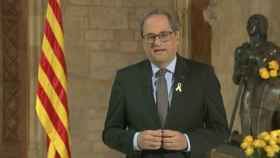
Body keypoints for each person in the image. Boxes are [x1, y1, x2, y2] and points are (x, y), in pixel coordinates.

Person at [102, 9, 229, 158]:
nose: (157, 42)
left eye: (163, 35)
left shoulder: (203, 76)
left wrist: (187, 141)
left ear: (177, 36)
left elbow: (220, 130)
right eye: (150, 36)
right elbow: (110, 133)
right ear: (143, 41)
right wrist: (136, 140)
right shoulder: (126, 78)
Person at [233, 14, 280, 137]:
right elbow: (235, 78)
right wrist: (241, 71)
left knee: (262, 131)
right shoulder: (241, 50)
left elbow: (276, 78)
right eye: (248, 22)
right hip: (248, 92)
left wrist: (257, 60)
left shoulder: (272, 50)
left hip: (266, 95)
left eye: (253, 22)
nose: (249, 25)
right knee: (247, 129)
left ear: (262, 26)